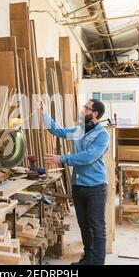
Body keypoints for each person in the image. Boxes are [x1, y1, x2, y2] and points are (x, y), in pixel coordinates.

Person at [41, 99, 110, 265]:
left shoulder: (102, 135)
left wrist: (61, 158)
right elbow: (58, 131)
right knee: (84, 225)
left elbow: (88, 157)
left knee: (97, 227)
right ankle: (87, 259)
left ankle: (98, 262)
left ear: (95, 114)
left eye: (86, 108)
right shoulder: (79, 130)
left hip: (96, 187)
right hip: (78, 186)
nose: (82, 110)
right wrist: (44, 113)